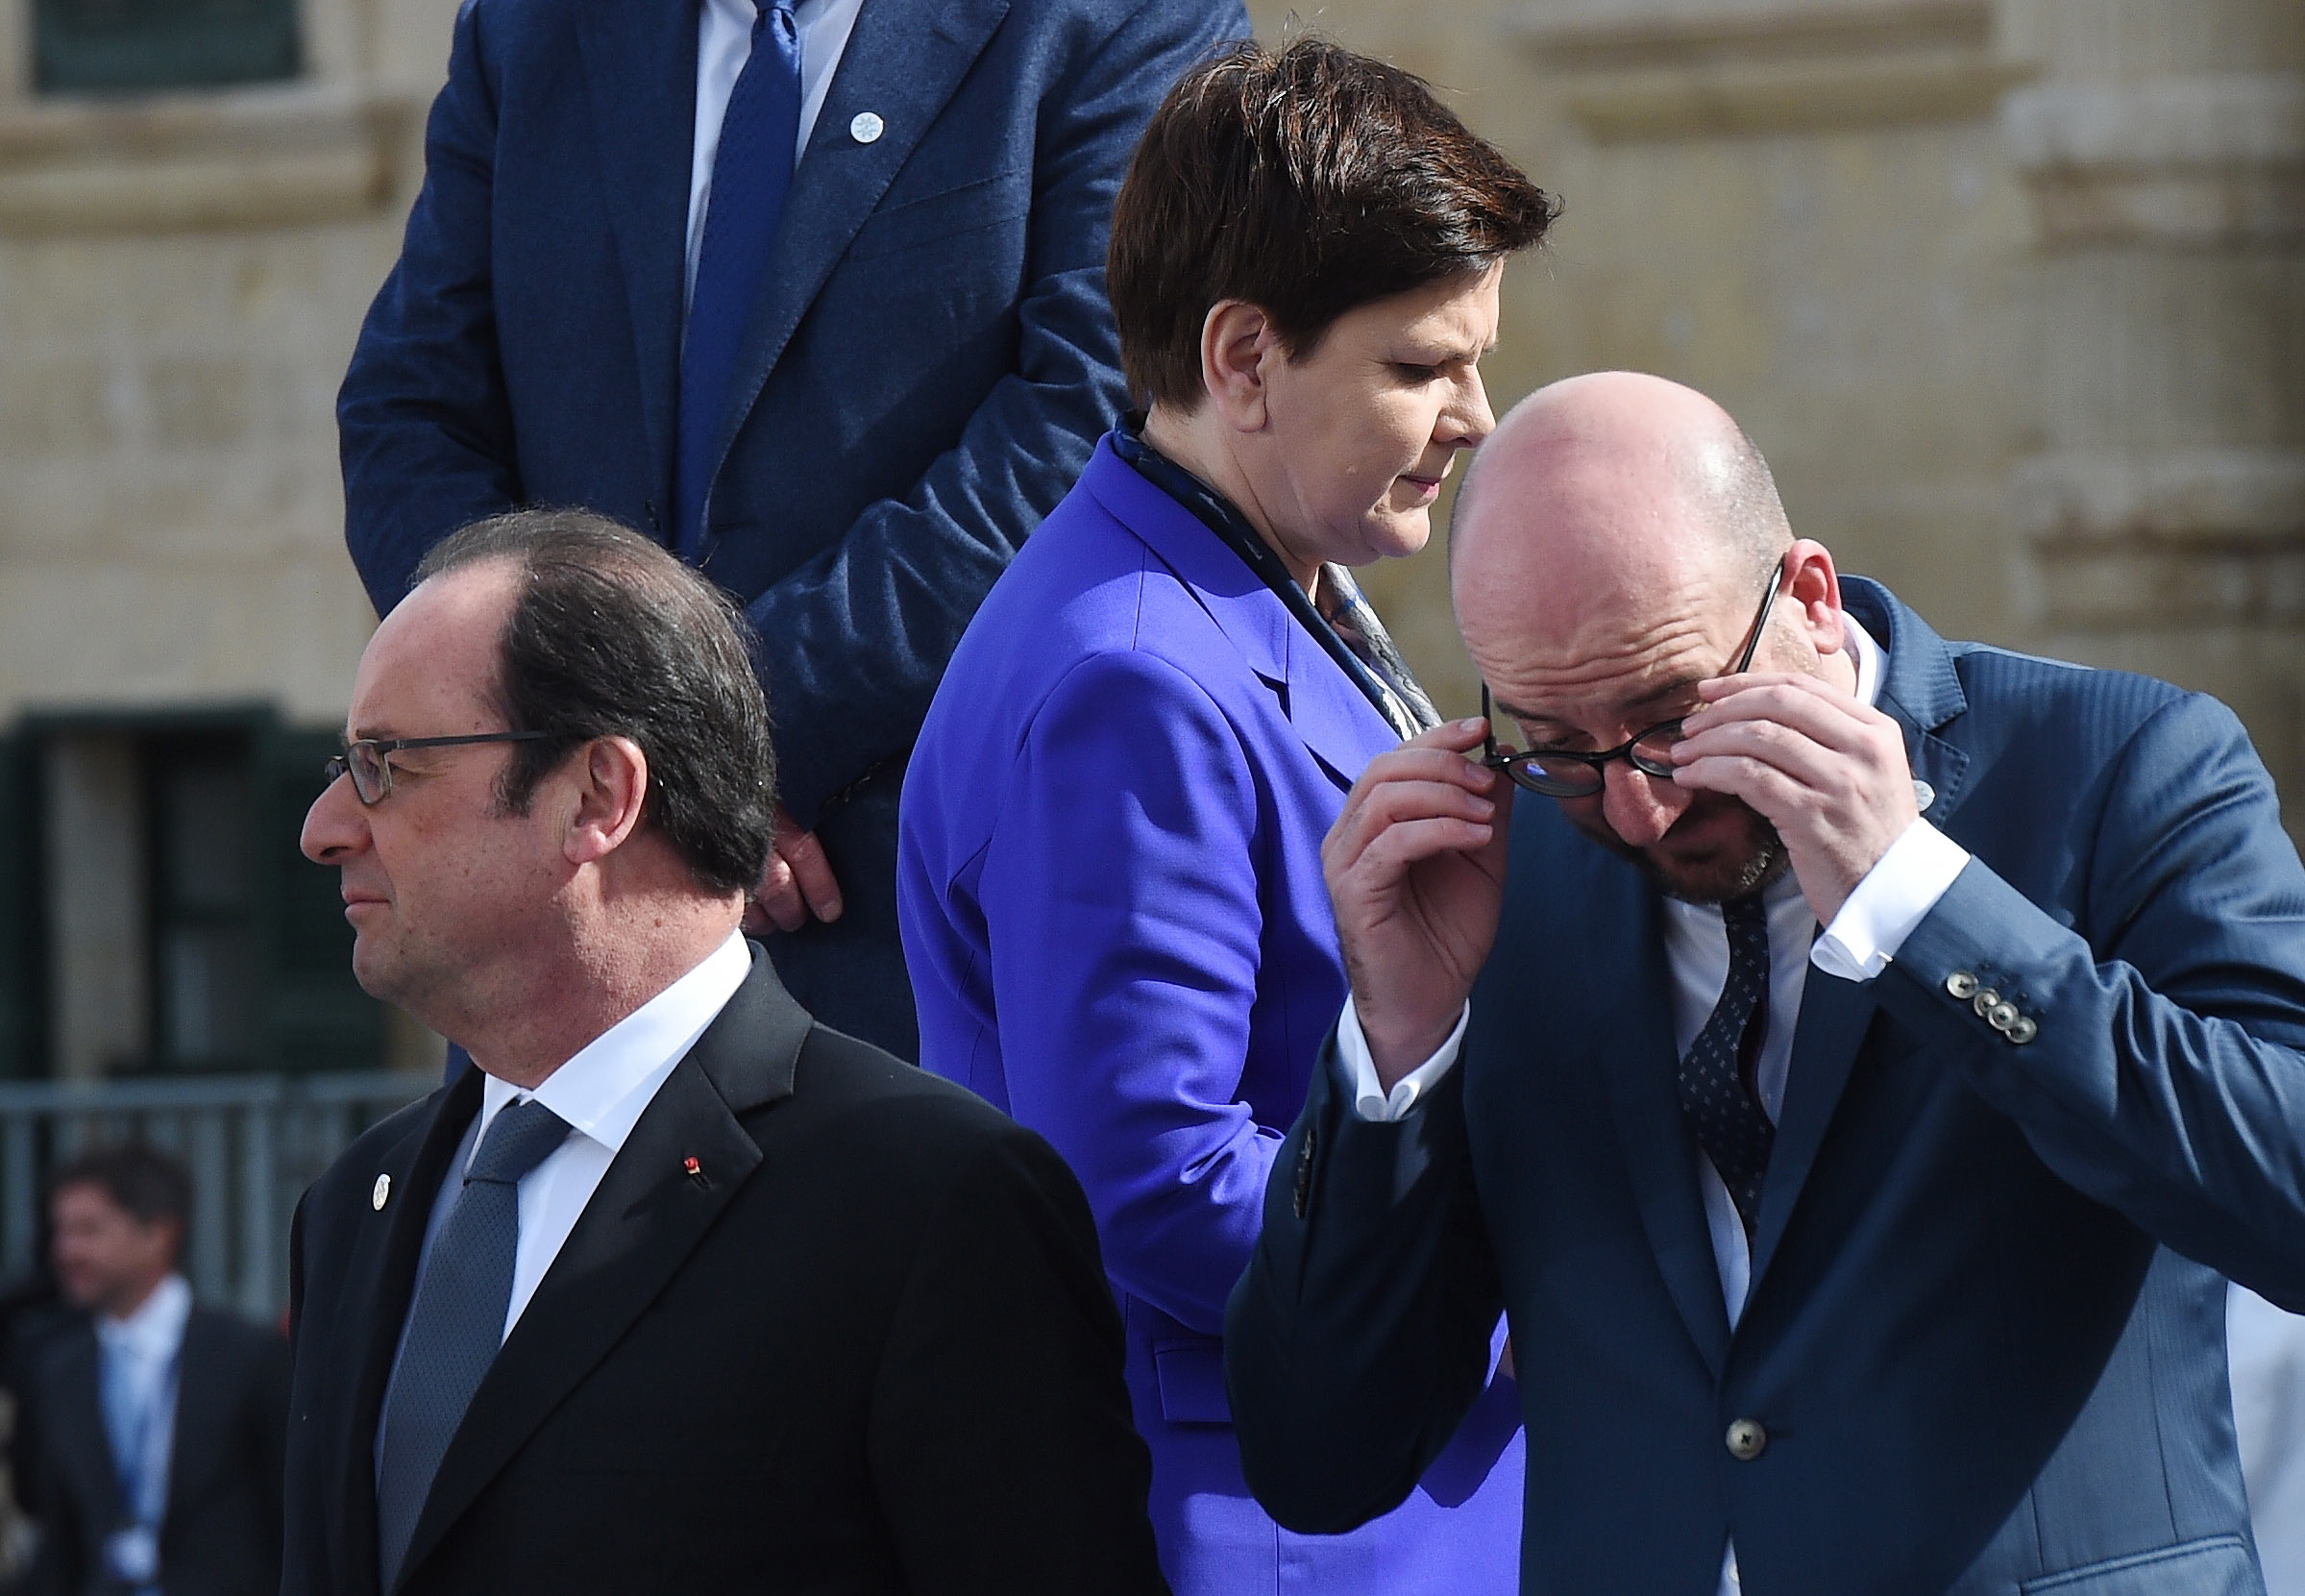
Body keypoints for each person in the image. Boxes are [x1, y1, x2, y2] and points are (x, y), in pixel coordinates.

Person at [1224, 372, 2305, 1593]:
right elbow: (1316, 1457)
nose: (1636, 805)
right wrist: (1395, 1048)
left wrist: (1920, 905)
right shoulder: (1500, 878)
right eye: (1556, 743)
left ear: (1807, 597)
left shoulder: (2119, 768)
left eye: (1670, 717)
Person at [898, 39, 1552, 1593]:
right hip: (1266, 1526)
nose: (1473, 415)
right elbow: (1155, 1184)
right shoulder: (1132, 678)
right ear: (1244, 356)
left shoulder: (1235, 582)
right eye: (1419, 367)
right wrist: (1540, 1268)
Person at [335, 0, 1247, 1060]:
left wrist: (710, 748)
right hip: (564, 942)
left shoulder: (1125, 20)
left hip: (913, 938)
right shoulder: (531, 28)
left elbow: (1098, 413)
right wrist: (573, 732)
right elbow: (411, 417)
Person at [285, 509, 1163, 1595]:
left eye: (386, 763)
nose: (325, 825)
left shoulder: (925, 1199)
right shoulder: (355, 1208)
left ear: (597, 795)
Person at [19, 1144, 287, 1596]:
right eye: (61, 1231)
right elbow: (60, 1539)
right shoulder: (59, 1369)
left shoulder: (248, 1357)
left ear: (158, 1234)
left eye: (89, 1230)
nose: (66, 1250)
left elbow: (287, 1512)